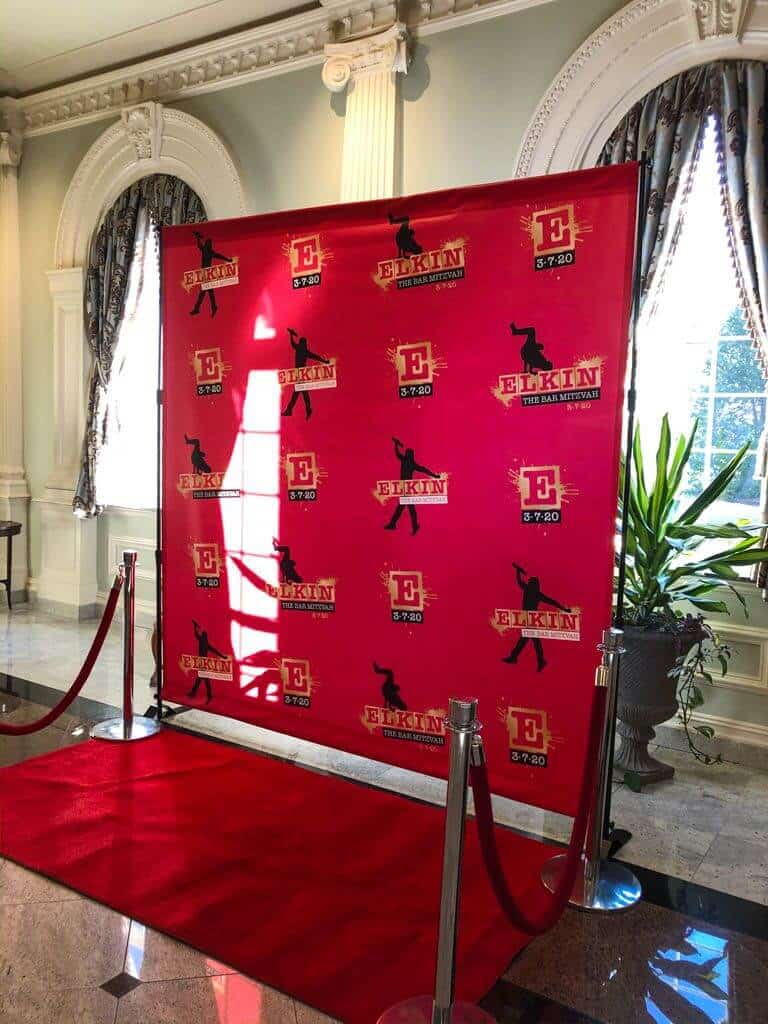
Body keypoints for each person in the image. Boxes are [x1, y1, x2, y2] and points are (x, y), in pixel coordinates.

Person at [502, 563, 571, 672]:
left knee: (527, 640)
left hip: (532, 620)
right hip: (528, 619)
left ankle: (518, 657)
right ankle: (534, 660)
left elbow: (553, 602)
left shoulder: (533, 592)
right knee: (529, 640)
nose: (530, 584)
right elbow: (519, 582)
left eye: (531, 583)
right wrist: (518, 571)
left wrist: (565, 609)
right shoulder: (530, 591)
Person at [384, 437, 440, 536]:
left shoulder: (405, 461)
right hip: (405, 488)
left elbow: (398, 454)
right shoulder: (410, 462)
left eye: (408, 453)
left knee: (406, 508)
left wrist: (396, 445)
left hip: (407, 489)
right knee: (404, 508)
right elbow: (424, 469)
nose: (407, 455)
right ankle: (400, 525)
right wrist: (434, 475)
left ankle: (401, 525)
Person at [282, 328, 331, 420]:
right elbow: (316, 357)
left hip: (301, 374)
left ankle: (292, 410)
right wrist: (325, 361)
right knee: (302, 393)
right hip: (300, 374)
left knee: (299, 393)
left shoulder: (300, 350)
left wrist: (291, 335)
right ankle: (304, 409)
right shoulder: (304, 351)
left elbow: (293, 344)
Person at [189, 231, 234, 318]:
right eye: (207, 244)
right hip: (205, 274)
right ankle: (212, 307)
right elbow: (199, 246)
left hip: (207, 274)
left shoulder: (209, 252)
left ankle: (199, 308)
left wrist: (228, 260)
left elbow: (220, 256)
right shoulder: (206, 251)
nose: (206, 245)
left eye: (207, 244)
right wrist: (197, 238)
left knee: (204, 292)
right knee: (208, 292)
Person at [186, 620, 227, 703]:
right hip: (203, 663)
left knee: (202, 679)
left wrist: (195, 626)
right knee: (201, 679)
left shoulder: (203, 642)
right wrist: (195, 626)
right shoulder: (205, 643)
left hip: (203, 663)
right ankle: (204, 694)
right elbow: (215, 651)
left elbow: (196, 635)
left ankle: (201, 694)